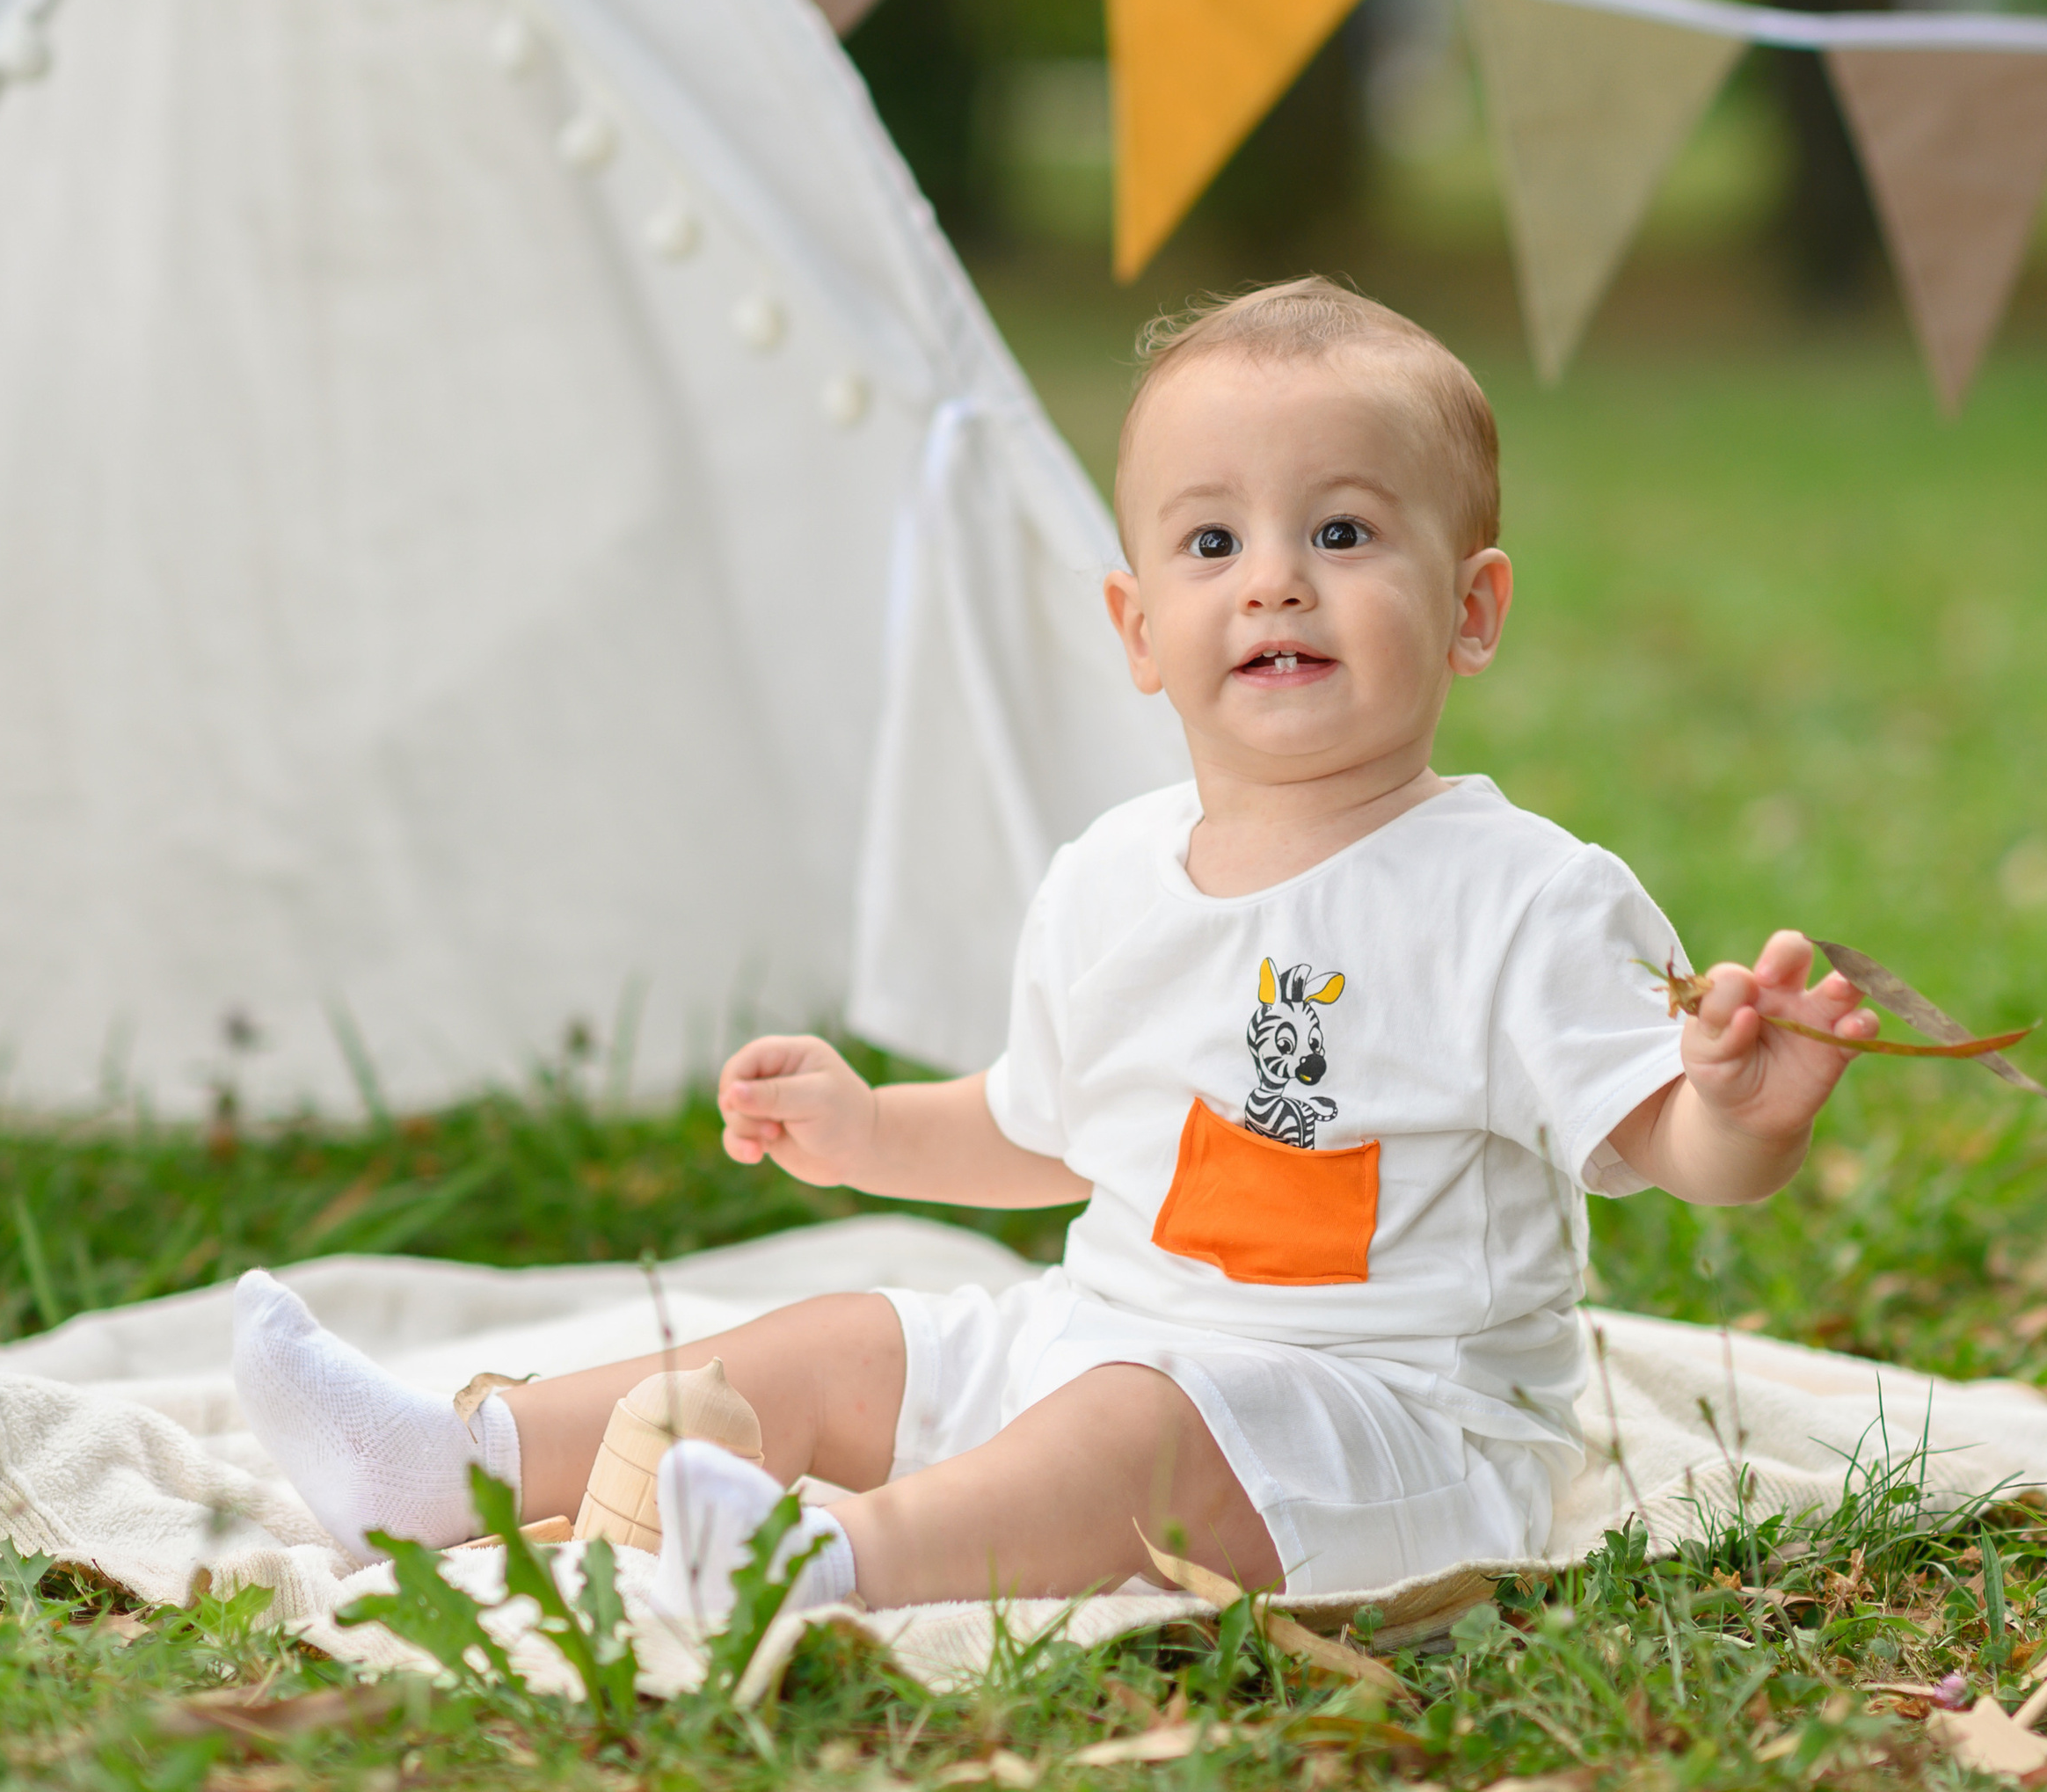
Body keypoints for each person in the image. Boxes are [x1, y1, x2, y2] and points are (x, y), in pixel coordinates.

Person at [234, 278, 1876, 1614]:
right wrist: (872, 1126)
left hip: (1390, 1427)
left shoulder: (1523, 895)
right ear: (1137, 628)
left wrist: (1746, 1104)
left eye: (1348, 535)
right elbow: (1045, 1128)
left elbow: (1672, 1147)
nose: (1276, 587)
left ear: (1473, 609)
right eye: (1213, 544)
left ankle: (830, 1562)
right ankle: (452, 1460)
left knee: (1123, 1434)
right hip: (1103, 1328)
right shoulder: (1112, 876)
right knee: (856, 1337)